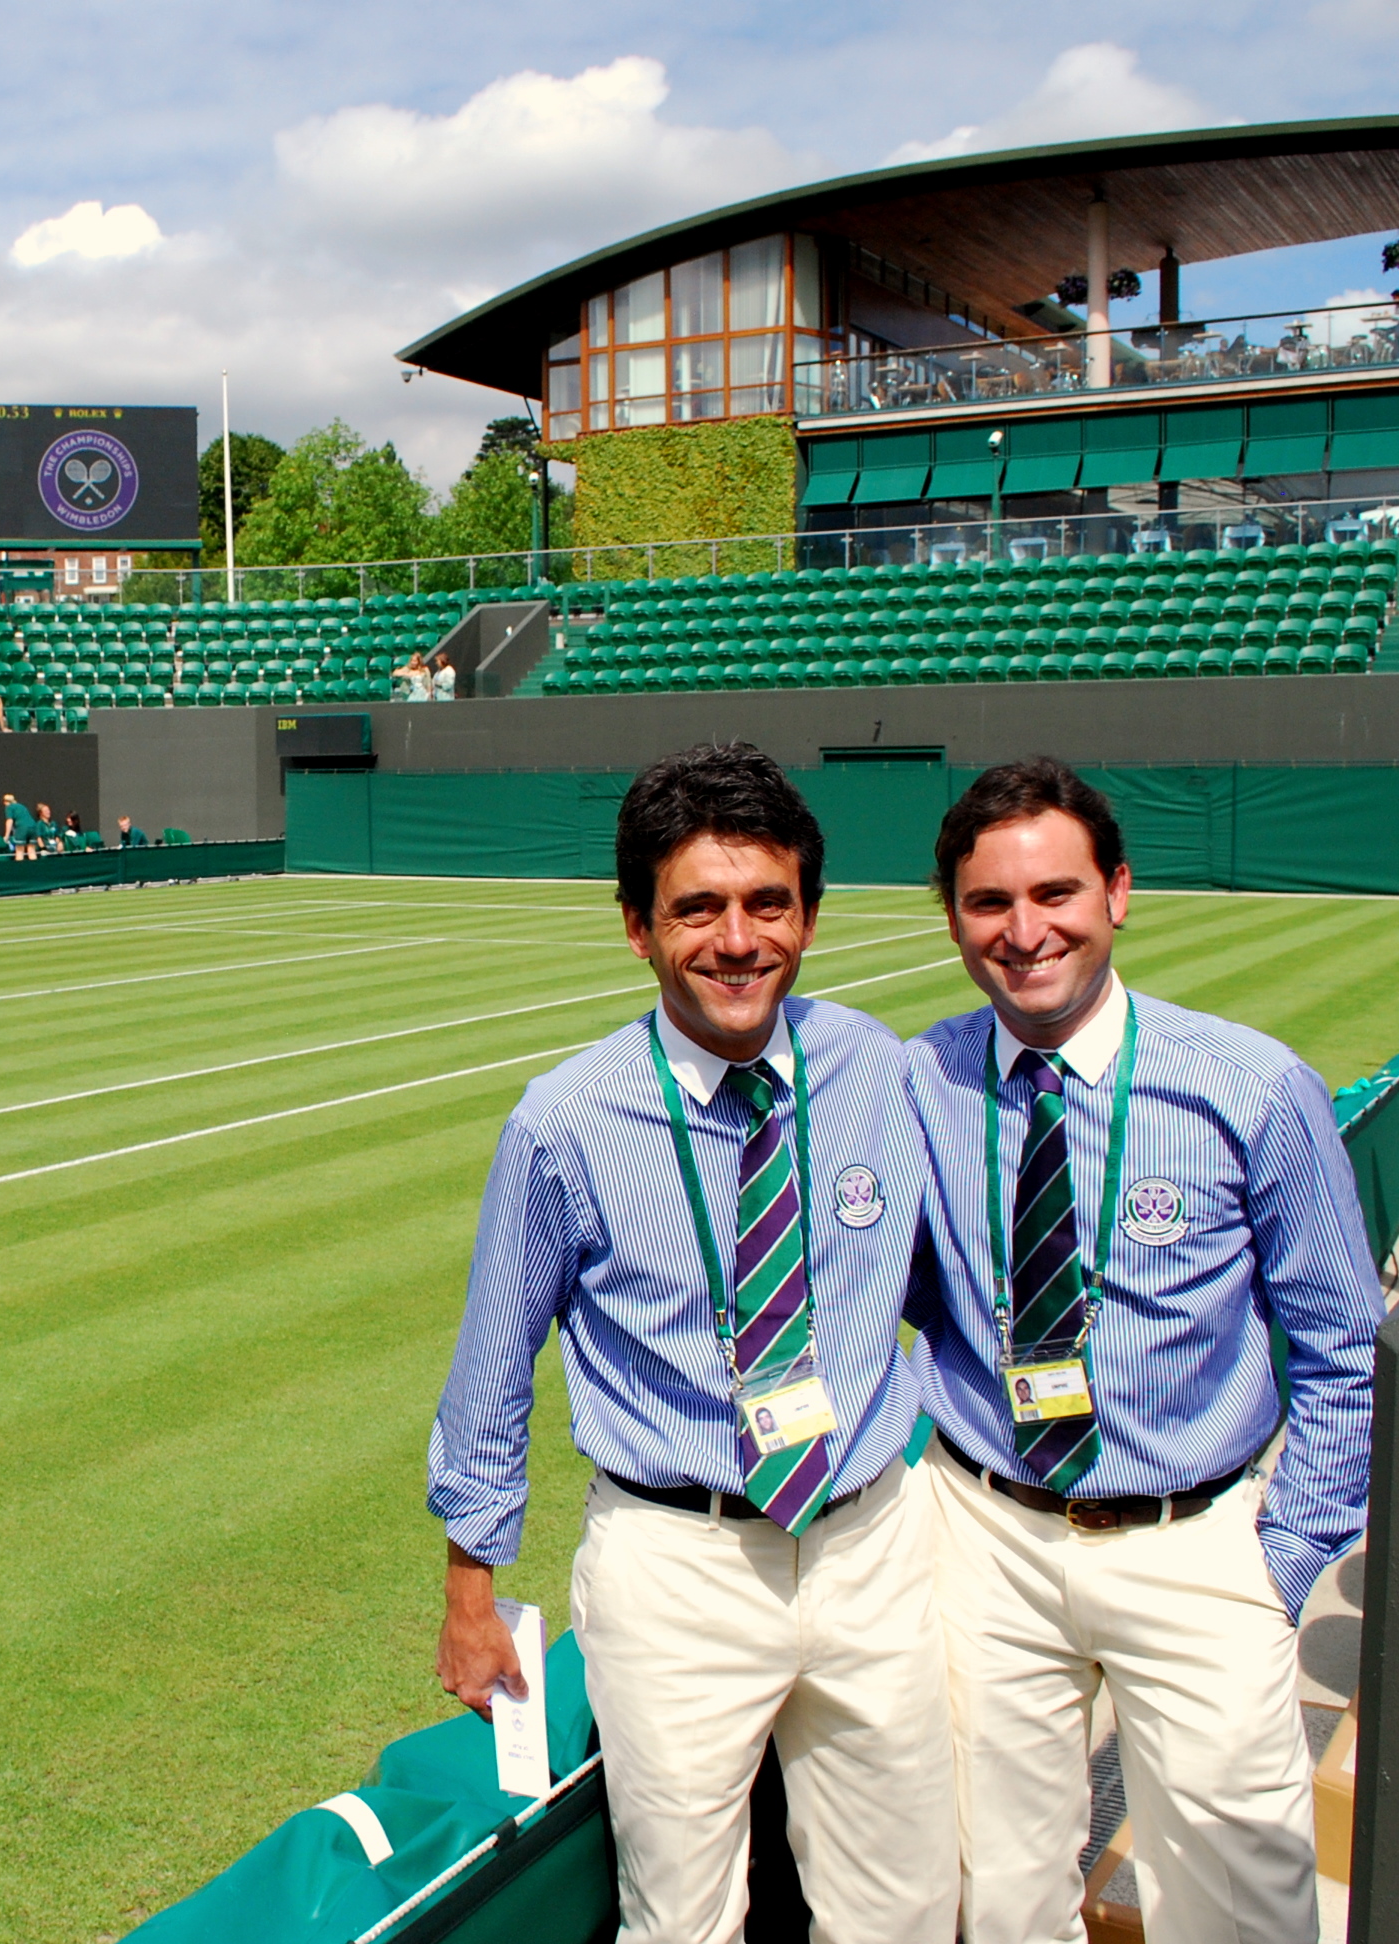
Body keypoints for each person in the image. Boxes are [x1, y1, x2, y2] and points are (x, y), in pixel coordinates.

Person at [431, 741, 956, 1944]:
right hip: (675, 1566)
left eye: (767, 903)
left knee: (908, 1910)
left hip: (871, 1542)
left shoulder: (878, 1069)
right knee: (683, 1922)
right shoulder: (563, 1120)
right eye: (698, 909)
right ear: (637, 927)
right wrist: (472, 1588)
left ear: (809, 916)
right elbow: (491, 1363)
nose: (736, 939)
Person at [901, 757, 1380, 1944]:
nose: (1024, 932)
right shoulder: (914, 1083)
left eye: (1055, 893)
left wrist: (1279, 1561)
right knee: (1000, 1901)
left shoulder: (1251, 1085)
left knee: (1238, 1903)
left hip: (1196, 1538)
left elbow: (1344, 1348)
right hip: (988, 1539)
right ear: (955, 918)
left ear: (1117, 891)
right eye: (988, 904)